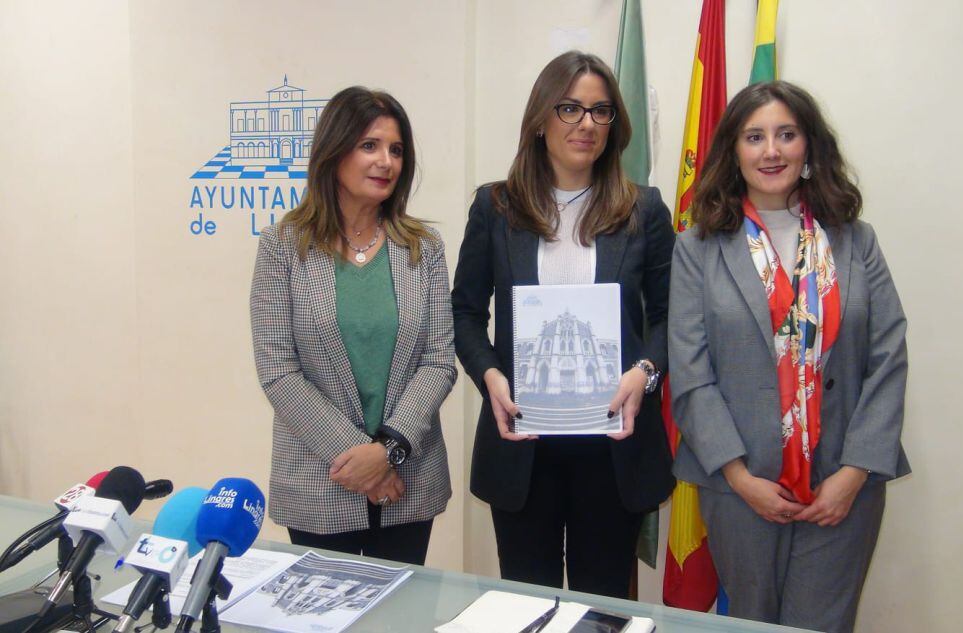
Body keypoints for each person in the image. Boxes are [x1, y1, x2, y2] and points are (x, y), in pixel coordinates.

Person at [668, 81, 909, 633]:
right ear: (733, 151)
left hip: (841, 486)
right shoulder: (696, 248)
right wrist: (738, 475)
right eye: (754, 137)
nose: (770, 151)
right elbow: (690, 371)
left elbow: (888, 354)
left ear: (809, 148)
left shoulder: (855, 240)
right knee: (749, 625)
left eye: (786, 134)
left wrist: (853, 473)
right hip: (741, 487)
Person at [452, 51, 675, 599]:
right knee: (529, 605)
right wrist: (490, 377)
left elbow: (673, 316)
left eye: (601, 112)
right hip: (523, 442)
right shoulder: (495, 207)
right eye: (571, 108)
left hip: (613, 444)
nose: (587, 124)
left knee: (602, 609)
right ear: (540, 119)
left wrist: (645, 372)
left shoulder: (643, 210)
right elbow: (464, 312)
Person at [250, 86, 456, 565]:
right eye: (370, 145)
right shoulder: (283, 245)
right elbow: (278, 371)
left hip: (409, 479)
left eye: (396, 149)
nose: (386, 161)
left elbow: (439, 361)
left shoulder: (424, 248)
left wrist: (389, 451)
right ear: (333, 151)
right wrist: (360, 459)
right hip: (321, 479)